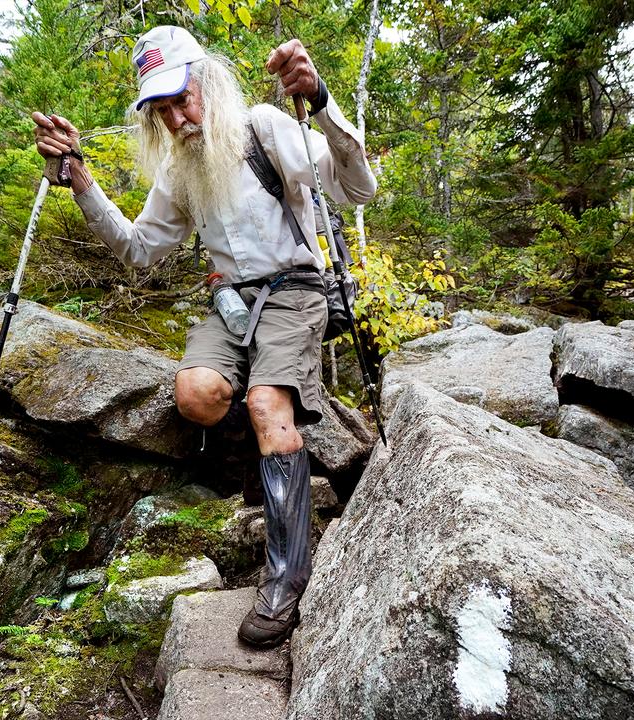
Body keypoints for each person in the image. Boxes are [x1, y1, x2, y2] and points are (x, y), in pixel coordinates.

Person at [32, 25, 376, 647]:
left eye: (181, 98)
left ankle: (287, 573)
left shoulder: (267, 127)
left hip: (296, 289)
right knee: (194, 393)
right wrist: (78, 179)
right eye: (160, 109)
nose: (176, 117)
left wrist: (322, 101)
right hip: (232, 303)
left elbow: (357, 188)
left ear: (208, 83)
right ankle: (267, 466)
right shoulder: (180, 169)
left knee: (267, 402)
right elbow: (140, 249)